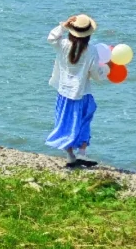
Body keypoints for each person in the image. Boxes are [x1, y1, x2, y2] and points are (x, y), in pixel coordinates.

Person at [45, 14, 111, 168]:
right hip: (82, 93)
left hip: (64, 93)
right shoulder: (92, 50)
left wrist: (63, 25)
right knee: (84, 121)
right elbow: (96, 74)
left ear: (71, 31)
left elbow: (51, 38)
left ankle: (70, 156)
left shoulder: (63, 44)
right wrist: (107, 71)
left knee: (65, 122)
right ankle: (82, 153)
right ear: (88, 34)